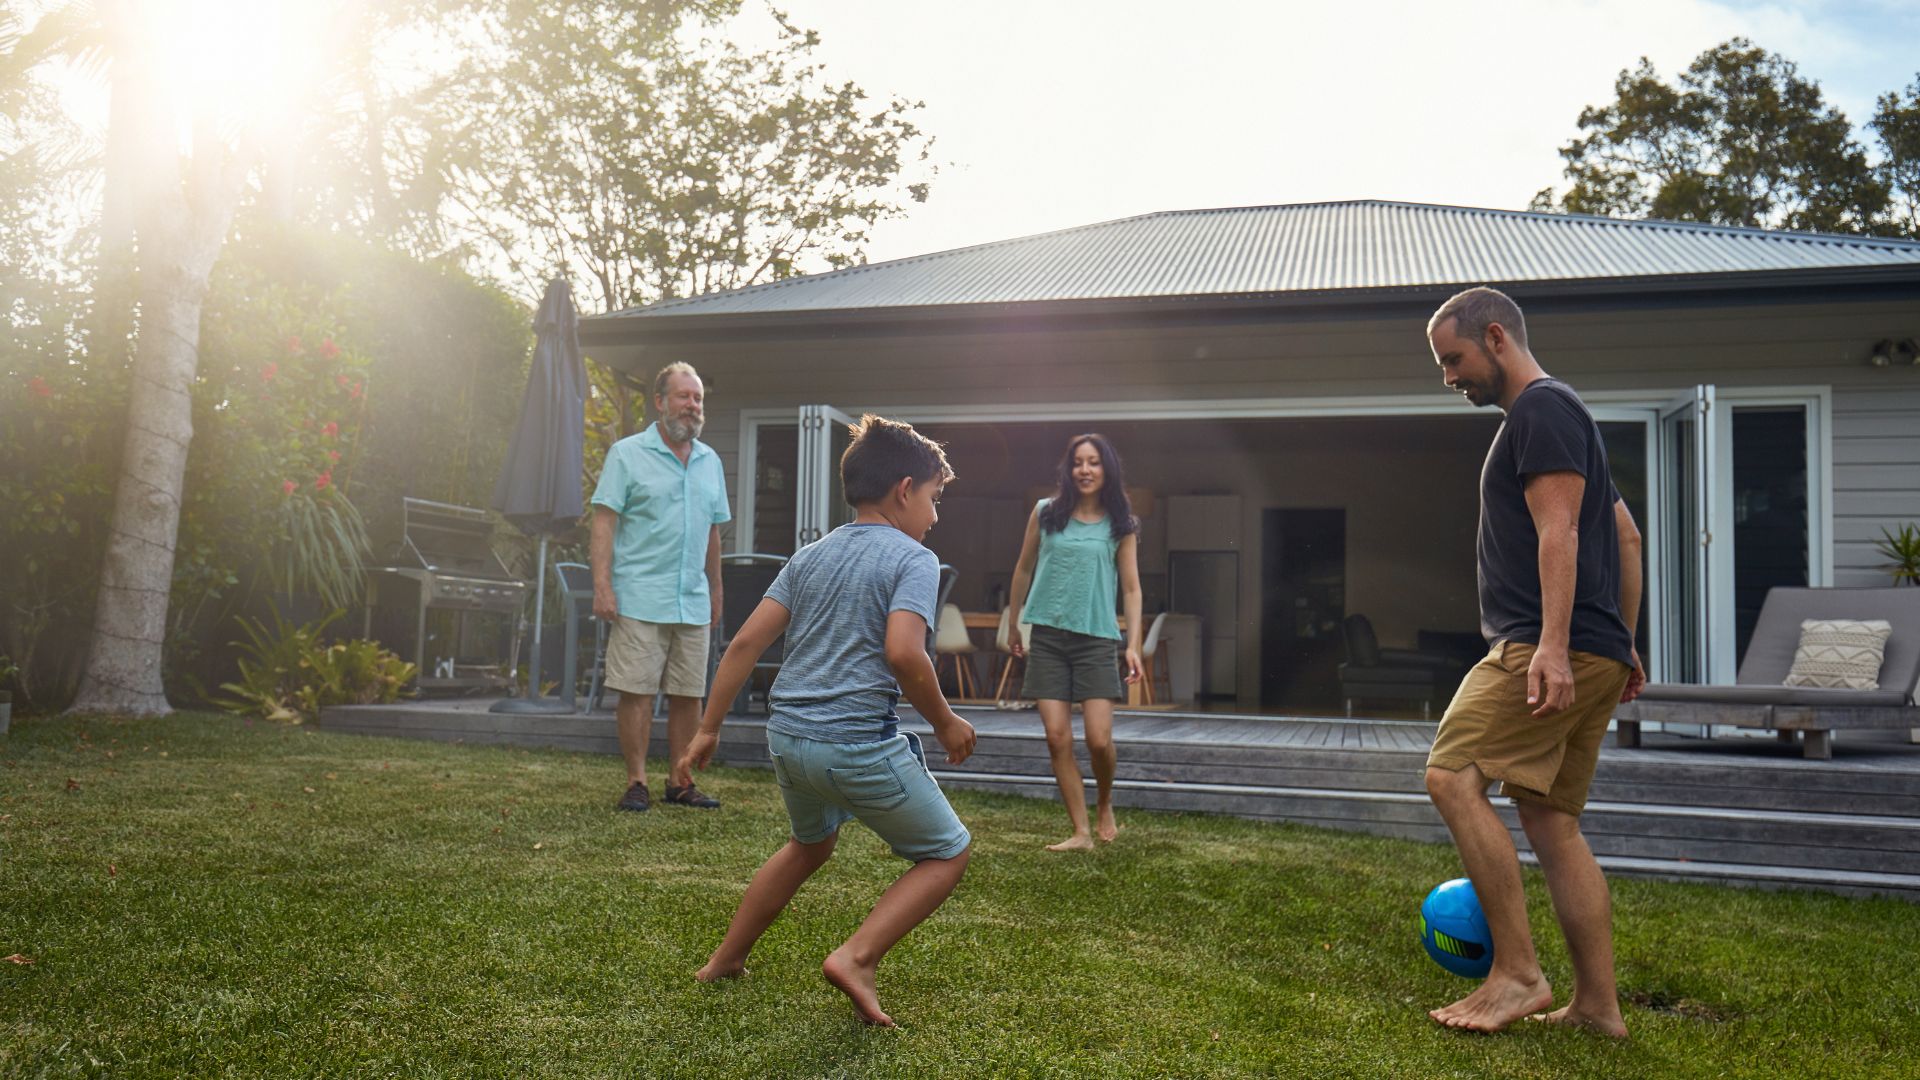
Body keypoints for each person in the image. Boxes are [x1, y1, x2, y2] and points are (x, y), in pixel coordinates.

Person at [680, 414, 977, 1028]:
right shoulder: (915, 558)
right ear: (904, 490)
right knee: (948, 852)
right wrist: (946, 722)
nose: (936, 515)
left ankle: (725, 960)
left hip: (788, 740)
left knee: (809, 845)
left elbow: (741, 645)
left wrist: (708, 728)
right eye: (934, 497)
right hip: (854, 744)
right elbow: (903, 652)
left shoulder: (809, 556)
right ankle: (857, 957)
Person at [1421, 286, 1647, 1037]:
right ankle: (1598, 1009)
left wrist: (1553, 645)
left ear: (1495, 337)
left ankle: (1518, 973)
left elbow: (1562, 533)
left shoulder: (1541, 411)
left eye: (1453, 359)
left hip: (1543, 644)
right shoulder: (1566, 414)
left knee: (1451, 774)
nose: (1450, 377)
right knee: (1552, 821)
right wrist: (1620, 640)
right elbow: (1629, 537)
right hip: (1594, 645)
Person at [590, 362, 730, 812]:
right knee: (637, 691)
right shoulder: (627, 454)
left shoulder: (711, 462)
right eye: (683, 396)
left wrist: (716, 590)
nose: (692, 406)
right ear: (660, 402)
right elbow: (604, 521)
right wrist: (602, 586)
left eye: (698, 399)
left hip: (690, 598)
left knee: (689, 693)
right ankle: (636, 781)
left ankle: (679, 780)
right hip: (638, 595)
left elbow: (713, 533)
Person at [1006, 433, 1144, 852]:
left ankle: (1104, 803)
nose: (1085, 470)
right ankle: (1081, 832)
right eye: (1078, 462)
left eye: (1094, 462)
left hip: (1097, 639)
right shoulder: (1046, 513)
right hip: (1047, 636)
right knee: (1056, 737)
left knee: (1099, 740)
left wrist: (1133, 643)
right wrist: (1014, 624)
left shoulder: (1121, 525)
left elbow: (1132, 588)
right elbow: (1023, 570)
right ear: (1069, 470)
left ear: (1107, 470)